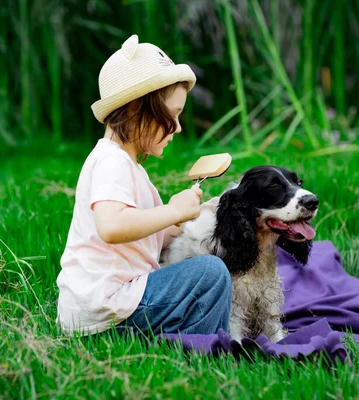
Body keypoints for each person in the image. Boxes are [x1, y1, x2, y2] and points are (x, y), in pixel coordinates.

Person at [56, 34, 232, 337]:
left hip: (107, 305)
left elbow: (142, 238)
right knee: (211, 273)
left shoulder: (127, 165)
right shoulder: (113, 162)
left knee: (201, 269)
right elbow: (112, 227)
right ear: (137, 109)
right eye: (173, 114)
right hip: (107, 309)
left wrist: (187, 216)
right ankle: (200, 347)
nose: (177, 127)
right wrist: (172, 210)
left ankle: (185, 336)